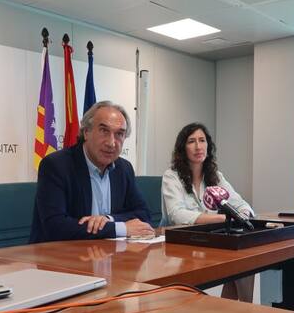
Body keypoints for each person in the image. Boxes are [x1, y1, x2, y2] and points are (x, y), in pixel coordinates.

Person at [29, 101, 153, 243]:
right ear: (86, 132)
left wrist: (108, 219)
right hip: (58, 253)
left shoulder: (124, 168)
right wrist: (120, 228)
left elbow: (144, 215)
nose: (111, 143)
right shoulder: (56, 165)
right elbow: (55, 227)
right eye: (104, 131)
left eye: (119, 134)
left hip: (106, 252)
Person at [161, 122, 255, 302]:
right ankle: (242, 311)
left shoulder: (216, 176)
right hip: (177, 244)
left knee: (244, 257)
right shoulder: (172, 176)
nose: (198, 146)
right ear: (183, 148)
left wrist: (242, 214)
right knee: (235, 260)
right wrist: (224, 218)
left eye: (202, 140)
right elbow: (177, 215)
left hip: (207, 240)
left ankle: (242, 310)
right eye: (191, 141)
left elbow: (241, 204)